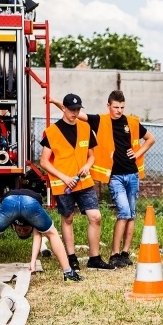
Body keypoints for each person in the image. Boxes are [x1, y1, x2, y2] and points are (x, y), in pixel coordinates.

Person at [50, 90, 156, 268]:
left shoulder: (132, 122)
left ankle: (125, 253)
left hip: (133, 174)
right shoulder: (100, 120)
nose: (119, 110)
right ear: (108, 106)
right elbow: (73, 112)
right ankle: (114, 254)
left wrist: (137, 153)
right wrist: (54, 101)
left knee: (131, 215)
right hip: (115, 176)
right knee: (124, 212)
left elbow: (150, 139)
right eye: (116, 107)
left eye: (122, 107)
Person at [40, 93, 114, 271]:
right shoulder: (52, 132)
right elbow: (43, 161)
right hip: (63, 184)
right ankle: (71, 257)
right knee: (68, 218)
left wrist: (88, 166)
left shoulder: (85, 128)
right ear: (63, 109)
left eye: (78, 109)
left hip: (84, 182)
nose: (75, 112)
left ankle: (94, 258)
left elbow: (92, 156)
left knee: (95, 217)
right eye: (72, 109)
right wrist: (64, 177)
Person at [0, 188, 82, 282]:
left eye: (23, 231)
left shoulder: (13, 221)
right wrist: (32, 262)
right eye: (23, 231)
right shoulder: (33, 224)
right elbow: (38, 235)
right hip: (29, 202)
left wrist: (33, 262)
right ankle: (68, 273)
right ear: (14, 226)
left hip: (10, 201)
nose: (22, 230)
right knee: (52, 233)